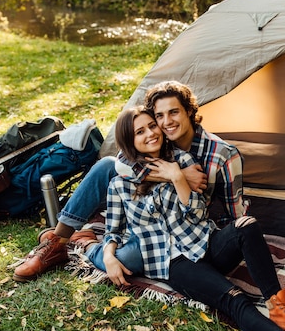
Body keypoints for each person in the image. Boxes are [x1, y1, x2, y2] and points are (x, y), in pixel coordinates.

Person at [92, 106, 285, 331]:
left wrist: (177, 177)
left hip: (205, 242)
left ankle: (282, 311)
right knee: (234, 299)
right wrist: (110, 256)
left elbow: (198, 213)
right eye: (140, 131)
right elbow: (112, 230)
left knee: (247, 226)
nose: (152, 133)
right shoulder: (119, 185)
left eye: (152, 125)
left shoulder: (182, 160)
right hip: (174, 264)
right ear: (129, 140)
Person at [13, 81, 244, 283]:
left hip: (191, 227)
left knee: (129, 259)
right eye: (159, 117)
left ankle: (86, 243)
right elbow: (121, 163)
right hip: (148, 220)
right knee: (106, 166)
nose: (165, 123)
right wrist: (177, 175)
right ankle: (57, 241)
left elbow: (236, 215)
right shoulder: (158, 139)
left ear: (189, 112)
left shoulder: (221, 154)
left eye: (174, 113)